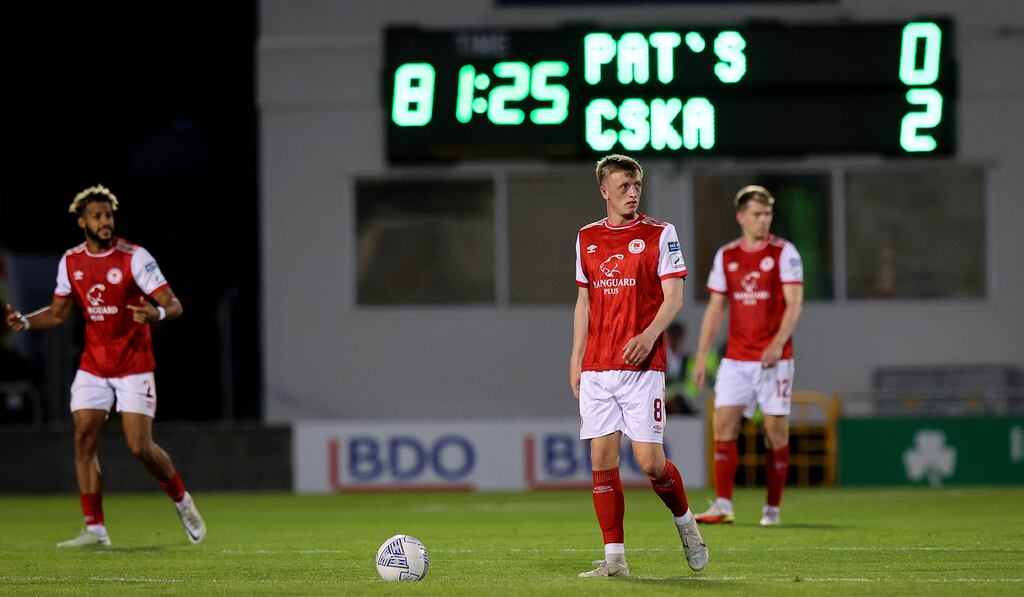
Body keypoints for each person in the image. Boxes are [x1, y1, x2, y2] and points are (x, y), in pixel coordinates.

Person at [4, 184, 206, 547]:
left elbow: (174, 304)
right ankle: (95, 528)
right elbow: (59, 312)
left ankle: (182, 500)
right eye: (97, 216)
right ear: (82, 221)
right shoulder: (71, 261)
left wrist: (156, 312)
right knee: (83, 438)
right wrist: (27, 321)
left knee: (139, 447)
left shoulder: (134, 257)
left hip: (133, 364)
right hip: (94, 366)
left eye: (108, 215)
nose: (105, 222)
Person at [570, 155, 708, 577]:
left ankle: (686, 523)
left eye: (636, 185)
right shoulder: (587, 237)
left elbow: (675, 298)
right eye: (624, 186)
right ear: (604, 190)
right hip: (598, 367)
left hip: (642, 369)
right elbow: (584, 301)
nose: (632, 193)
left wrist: (649, 335)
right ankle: (615, 560)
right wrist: (575, 358)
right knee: (602, 460)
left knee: (650, 462)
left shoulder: (659, 234)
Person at [692, 185, 804, 527]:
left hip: (774, 359)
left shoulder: (784, 252)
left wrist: (777, 342)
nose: (763, 220)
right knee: (723, 424)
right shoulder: (727, 256)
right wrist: (702, 355)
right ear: (741, 217)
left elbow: (794, 302)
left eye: (767, 213)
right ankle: (723, 505)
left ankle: (772, 508)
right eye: (756, 214)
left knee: (775, 433)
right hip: (737, 358)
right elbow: (715, 309)